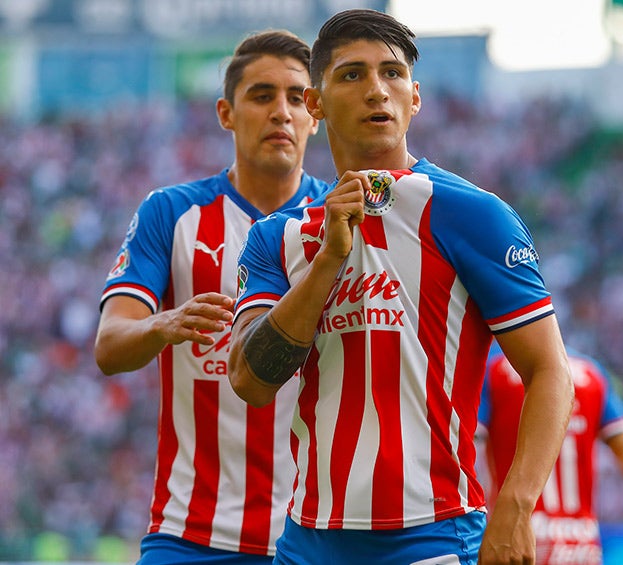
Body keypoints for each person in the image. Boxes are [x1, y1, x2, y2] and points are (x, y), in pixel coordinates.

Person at [225, 9, 574, 565]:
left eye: (392, 73)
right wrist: (328, 261)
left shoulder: (472, 214)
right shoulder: (276, 237)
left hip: (434, 537)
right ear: (315, 104)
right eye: (351, 74)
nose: (376, 90)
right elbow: (250, 381)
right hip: (308, 542)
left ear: (415, 97)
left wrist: (516, 504)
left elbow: (551, 370)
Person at [93, 30, 326, 564]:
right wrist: (161, 324)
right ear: (226, 113)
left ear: (314, 113)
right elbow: (109, 346)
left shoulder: (339, 220)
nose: (281, 112)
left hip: (315, 534)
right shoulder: (171, 213)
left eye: (296, 98)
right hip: (190, 532)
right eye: (262, 96)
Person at [477, 342, 623, 564]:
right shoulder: (591, 373)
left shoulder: (492, 371)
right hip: (581, 547)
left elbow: (468, 444)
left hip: (518, 541)